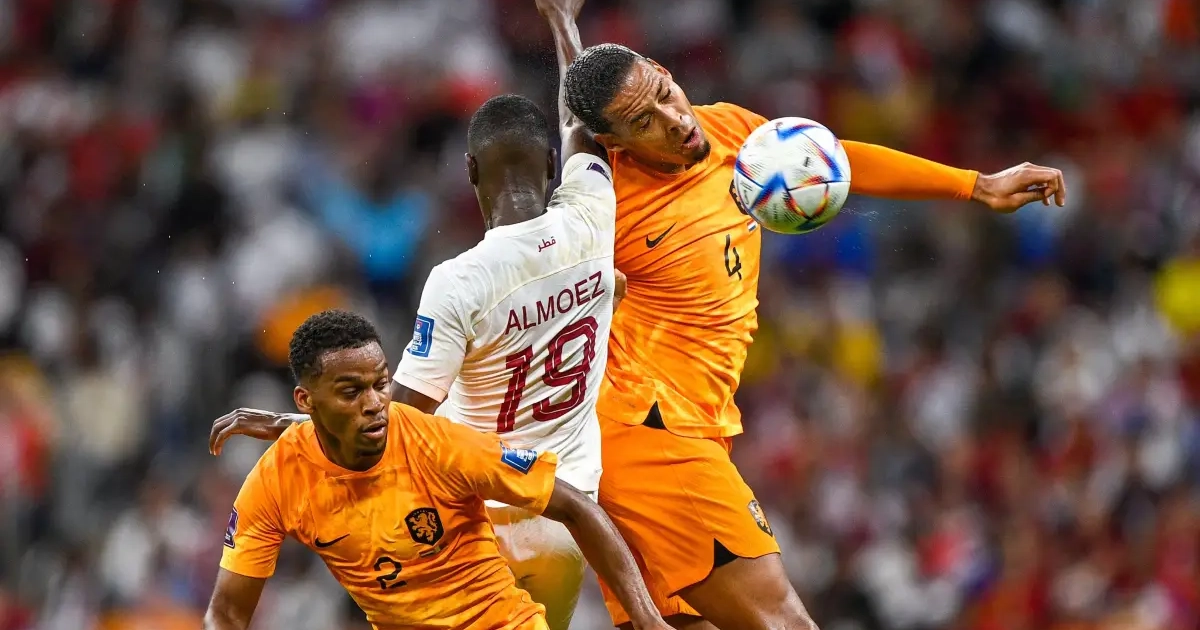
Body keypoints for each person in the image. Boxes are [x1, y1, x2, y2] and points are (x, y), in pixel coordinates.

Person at [525, 1, 1068, 629]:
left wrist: (976, 184)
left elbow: (832, 160)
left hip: (681, 428)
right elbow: (574, 135)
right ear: (614, 143)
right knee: (784, 621)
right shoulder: (605, 202)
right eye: (645, 122)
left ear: (663, 70)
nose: (675, 121)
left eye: (666, 95)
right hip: (651, 431)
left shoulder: (729, 128)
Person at [208, 93, 620, 630]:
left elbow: (398, 418)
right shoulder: (595, 216)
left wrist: (297, 424)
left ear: (470, 170)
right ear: (550, 163)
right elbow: (583, 117)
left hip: (472, 512)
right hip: (564, 507)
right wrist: (571, 45)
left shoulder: (460, 280)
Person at [202, 309, 669, 630]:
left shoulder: (436, 443)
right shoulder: (277, 480)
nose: (375, 404)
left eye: (381, 384)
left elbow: (574, 506)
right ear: (306, 400)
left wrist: (647, 619)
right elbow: (226, 614)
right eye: (351, 392)